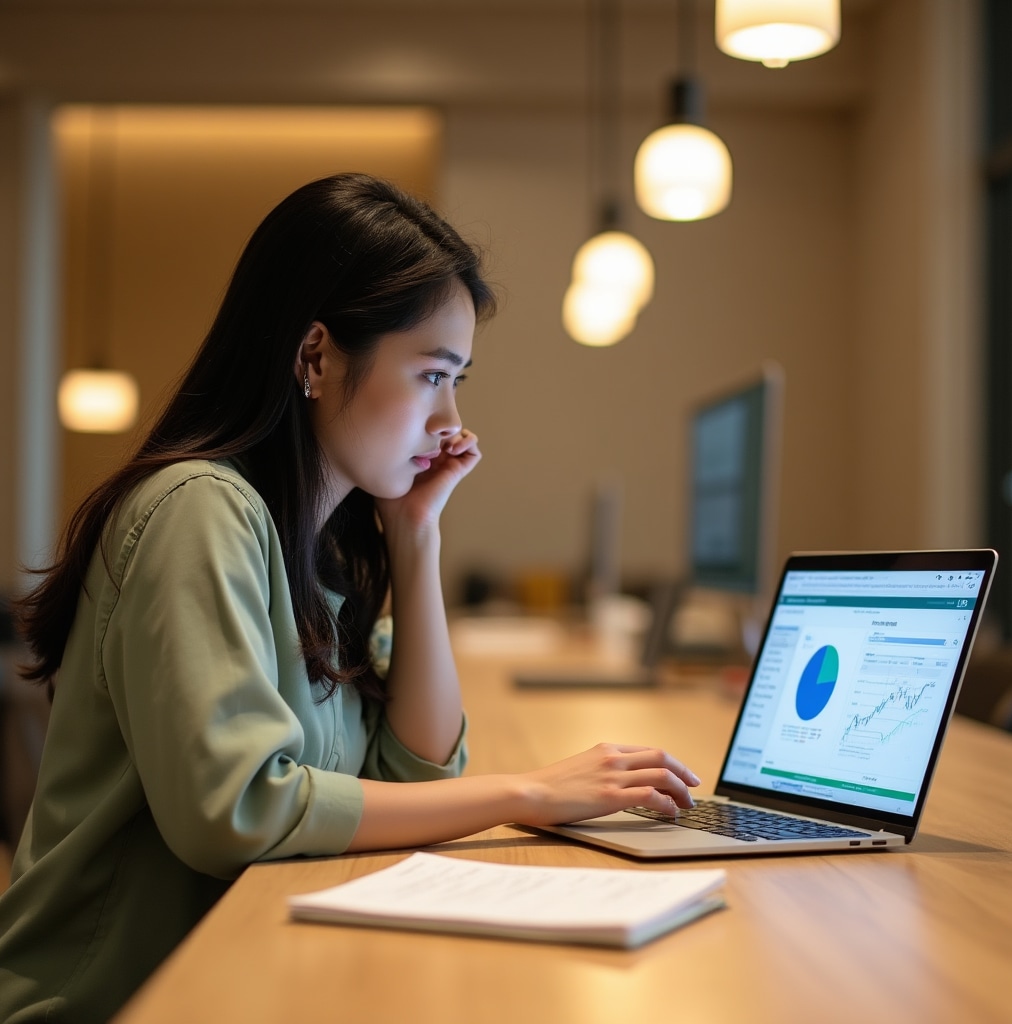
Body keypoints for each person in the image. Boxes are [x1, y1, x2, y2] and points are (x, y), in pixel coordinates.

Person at [0, 172, 700, 1023]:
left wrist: (415, 538)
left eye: (460, 381)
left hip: (236, 978)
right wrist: (532, 793)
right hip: (107, 1003)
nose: (452, 422)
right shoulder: (199, 509)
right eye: (432, 376)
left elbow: (414, 771)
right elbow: (239, 810)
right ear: (315, 356)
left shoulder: (321, 542)